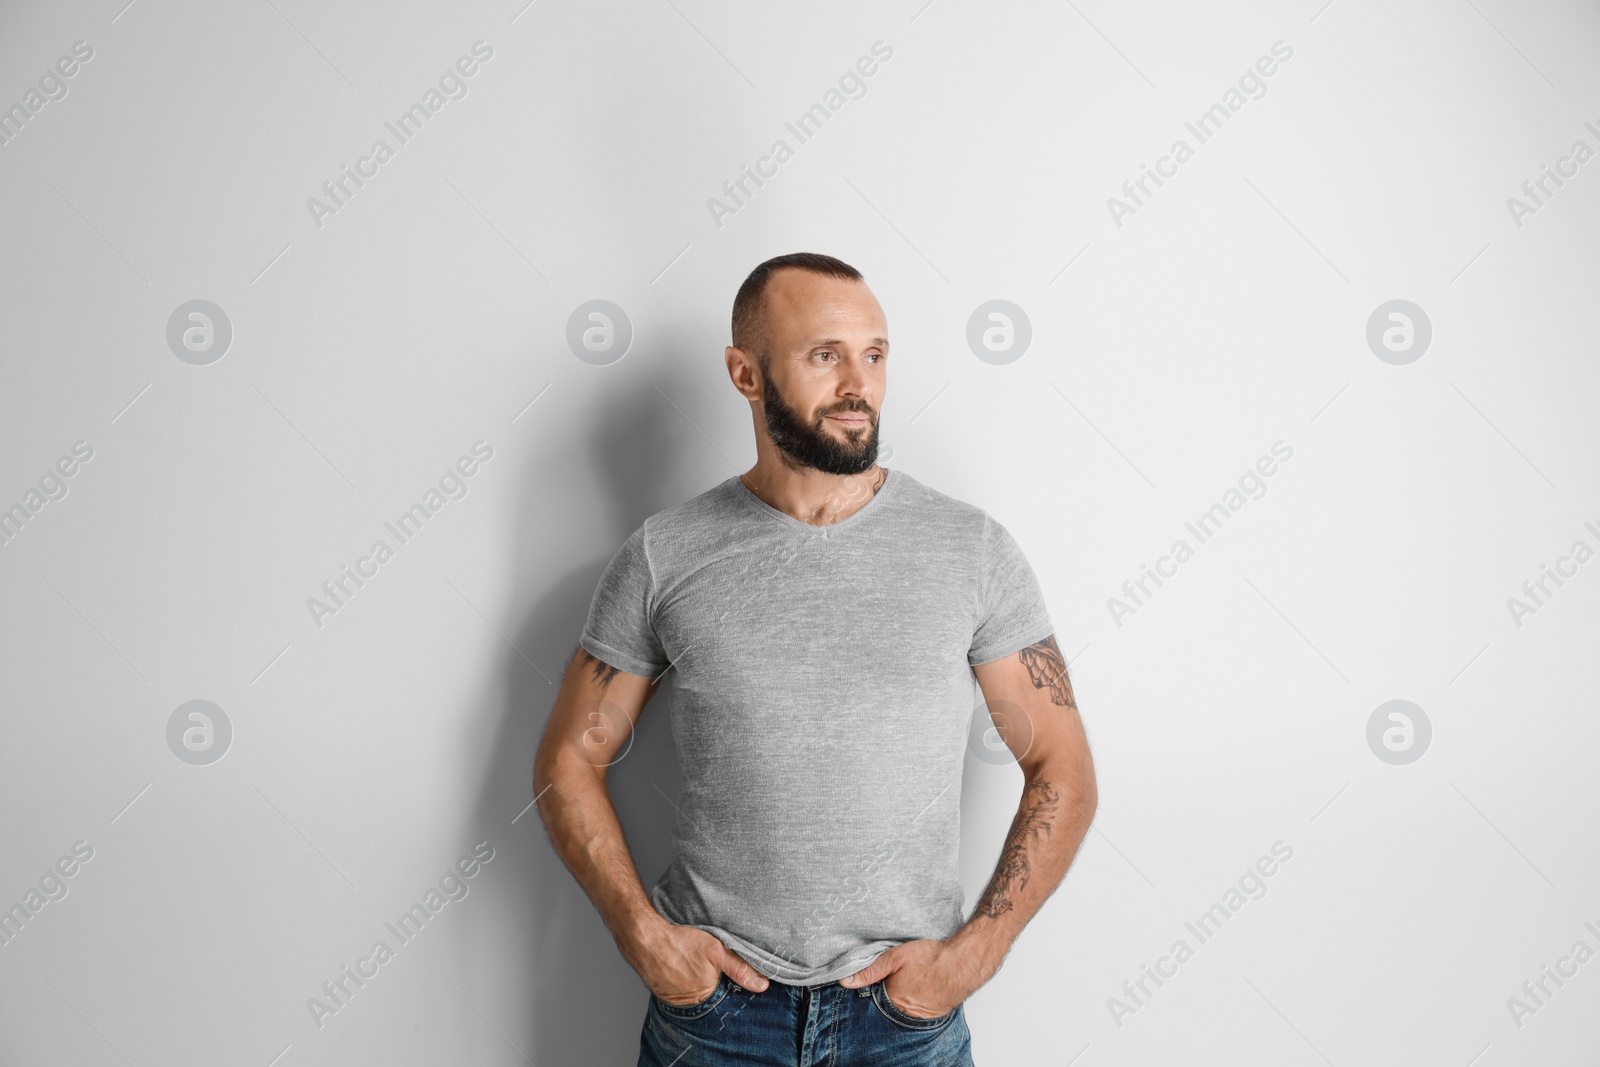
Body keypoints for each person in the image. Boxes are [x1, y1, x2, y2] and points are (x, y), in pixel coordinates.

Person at [533, 252, 1097, 1065]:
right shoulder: (665, 553)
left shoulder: (971, 550)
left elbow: (1061, 765)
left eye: (874, 354)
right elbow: (567, 761)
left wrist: (969, 958)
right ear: (745, 373)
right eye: (824, 354)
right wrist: (646, 938)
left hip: (905, 1022)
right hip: (716, 1021)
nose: (858, 383)